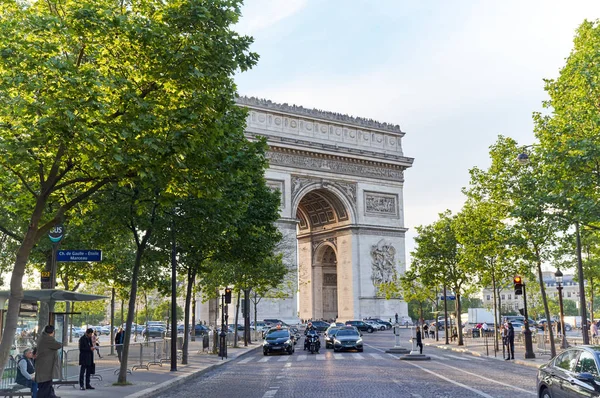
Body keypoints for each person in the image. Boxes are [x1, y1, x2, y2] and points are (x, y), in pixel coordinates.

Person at [35, 325, 62, 398]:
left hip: (44, 365)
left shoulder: (43, 337)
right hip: (45, 367)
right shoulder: (48, 338)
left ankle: (51, 396)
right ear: (52, 332)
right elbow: (58, 345)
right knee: (44, 385)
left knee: (47, 384)